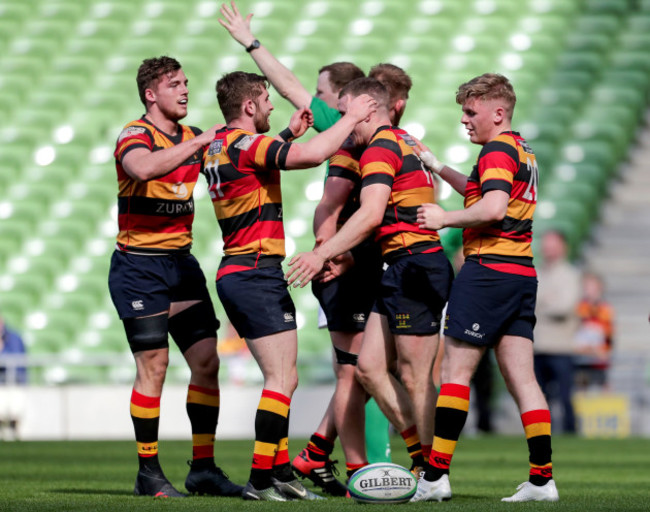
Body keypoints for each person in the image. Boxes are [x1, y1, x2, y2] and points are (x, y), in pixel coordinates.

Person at [203, 70, 376, 501]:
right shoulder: (250, 144)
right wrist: (350, 116)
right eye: (265, 99)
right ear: (248, 106)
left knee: (284, 378)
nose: (270, 105)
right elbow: (315, 154)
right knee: (281, 379)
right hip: (254, 270)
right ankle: (261, 480)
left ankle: (279, 473)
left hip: (240, 269)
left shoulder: (221, 144)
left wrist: (285, 132)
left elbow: (249, 164)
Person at [286, 77, 453, 480]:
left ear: (370, 108)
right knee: (368, 368)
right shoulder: (405, 141)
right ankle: (422, 458)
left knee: (415, 375)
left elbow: (371, 213)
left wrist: (322, 252)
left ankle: (434, 474)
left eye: (347, 114)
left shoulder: (379, 146)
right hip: (399, 266)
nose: (345, 122)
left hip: (415, 266)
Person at [412, 73, 558, 502]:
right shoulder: (520, 149)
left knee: (454, 372)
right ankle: (542, 479)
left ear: (498, 112)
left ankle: (434, 477)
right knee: (523, 380)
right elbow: (485, 193)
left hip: (488, 270)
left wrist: (442, 218)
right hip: (521, 274)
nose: (464, 119)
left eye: (471, 111)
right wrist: (438, 167)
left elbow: (491, 209)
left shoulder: (496, 150)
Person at [108, 56, 243, 498]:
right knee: (156, 365)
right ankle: (148, 472)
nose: (185, 90)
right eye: (174, 84)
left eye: (187, 83)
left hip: (180, 264)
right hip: (139, 266)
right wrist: (201, 141)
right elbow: (143, 169)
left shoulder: (191, 137)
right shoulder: (135, 134)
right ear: (151, 94)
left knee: (206, 361)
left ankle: (202, 467)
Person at [534, 229, 582, 433]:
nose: (548, 248)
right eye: (546, 244)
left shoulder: (571, 274)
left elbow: (564, 307)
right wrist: (547, 301)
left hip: (562, 347)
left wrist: (540, 305)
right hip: (537, 347)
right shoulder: (536, 272)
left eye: (552, 244)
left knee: (565, 397)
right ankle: (541, 435)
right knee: (539, 398)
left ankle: (571, 433)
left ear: (563, 247)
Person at [574, 271, 614, 390]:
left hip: (599, 357)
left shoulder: (606, 309)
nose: (587, 289)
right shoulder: (579, 307)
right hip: (581, 355)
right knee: (581, 387)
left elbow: (608, 335)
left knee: (604, 388)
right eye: (585, 286)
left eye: (591, 286)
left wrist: (603, 351)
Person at [0, 314, 27, 440]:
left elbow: (16, 360)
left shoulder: (13, 338)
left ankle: (14, 432)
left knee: (15, 409)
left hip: (14, 383)